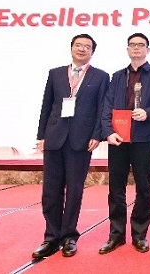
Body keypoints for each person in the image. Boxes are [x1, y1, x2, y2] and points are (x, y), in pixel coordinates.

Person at [32, 34, 110, 259]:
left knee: (75, 191)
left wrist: (97, 135)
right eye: (78, 45)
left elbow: (101, 108)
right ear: (71, 48)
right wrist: (42, 135)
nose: (82, 49)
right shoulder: (55, 73)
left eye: (87, 47)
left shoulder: (100, 76)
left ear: (92, 52)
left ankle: (69, 237)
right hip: (54, 138)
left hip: (81, 140)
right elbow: (46, 106)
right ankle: (51, 237)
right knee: (50, 191)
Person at [98, 33, 150, 254]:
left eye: (141, 45)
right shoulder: (117, 76)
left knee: (144, 187)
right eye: (132, 45)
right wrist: (108, 133)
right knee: (115, 187)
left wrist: (148, 113)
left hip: (143, 137)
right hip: (118, 138)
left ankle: (139, 234)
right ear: (127, 49)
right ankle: (116, 234)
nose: (136, 48)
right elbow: (107, 106)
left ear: (148, 49)